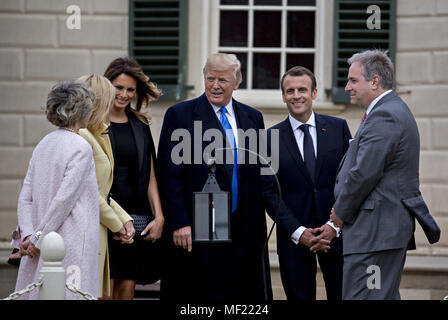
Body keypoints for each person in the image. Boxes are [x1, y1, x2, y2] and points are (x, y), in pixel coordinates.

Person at [158, 53, 274, 300]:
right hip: (199, 226)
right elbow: (169, 176)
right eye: (210, 79)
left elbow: (261, 174)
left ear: (236, 82)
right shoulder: (180, 115)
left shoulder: (253, 117)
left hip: (244, 229)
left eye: (222, 80)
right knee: (203, 294)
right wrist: (179, 222)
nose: (215, 86)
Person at [331, 50, 420, 299]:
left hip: (375, 235)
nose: (347, 87)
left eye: (353, 80)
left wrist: (339, 214)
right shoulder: (389, 110)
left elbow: (363, 174)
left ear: (374, 81)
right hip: (378, 234)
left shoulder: (385, 114)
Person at [266, 66, 351, 300]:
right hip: (294, 240)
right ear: (283, 96)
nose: (296, 96)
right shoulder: (269, 138)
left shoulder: (338, 128)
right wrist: (298, 231)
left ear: (314, 93)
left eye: (302, 89)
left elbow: (351, 181)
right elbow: (269, 193)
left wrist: (334, 226)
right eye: (290, 91)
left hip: (337, 235)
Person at [14, 80, 99, 299]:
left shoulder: (44, 143)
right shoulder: (81, 147)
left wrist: (30, 234)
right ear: (81, 111)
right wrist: (37, 239)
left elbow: (25, 198)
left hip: (37, 241)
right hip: (68, 241)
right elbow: (64, 200)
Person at [103, 57, 164, 300]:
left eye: (130, 89)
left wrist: (159, 217)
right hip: (104, 217)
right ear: (107, 85)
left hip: (135, 217)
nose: (125, 94)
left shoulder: (140, 124)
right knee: (103, 291)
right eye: (119, 87)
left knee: (126, 291)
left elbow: (150, 175)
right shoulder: (93, 123)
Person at [78, 74, 135, 299]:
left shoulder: (98, 133)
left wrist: (124, 218)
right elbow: (89, 191)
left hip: (98, 227)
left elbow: (103, 189)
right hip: (84, 230)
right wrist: (117, 225)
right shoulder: (82, 136)